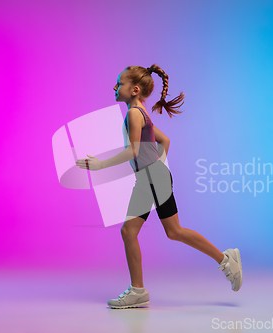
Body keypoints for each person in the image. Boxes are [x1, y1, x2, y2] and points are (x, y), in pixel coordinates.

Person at [76, 64, 242, 309]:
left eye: (119, 83)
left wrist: (101, 165)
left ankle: (224, 261)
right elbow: (164, 140)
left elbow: (133, 150)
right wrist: (155, 165)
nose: (115, 86)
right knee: (146, 232)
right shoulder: (141, 112)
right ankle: (140, 290)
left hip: (151, 178)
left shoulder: (135, 113)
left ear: (133, 90)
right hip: (152, 176)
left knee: (163, 231)